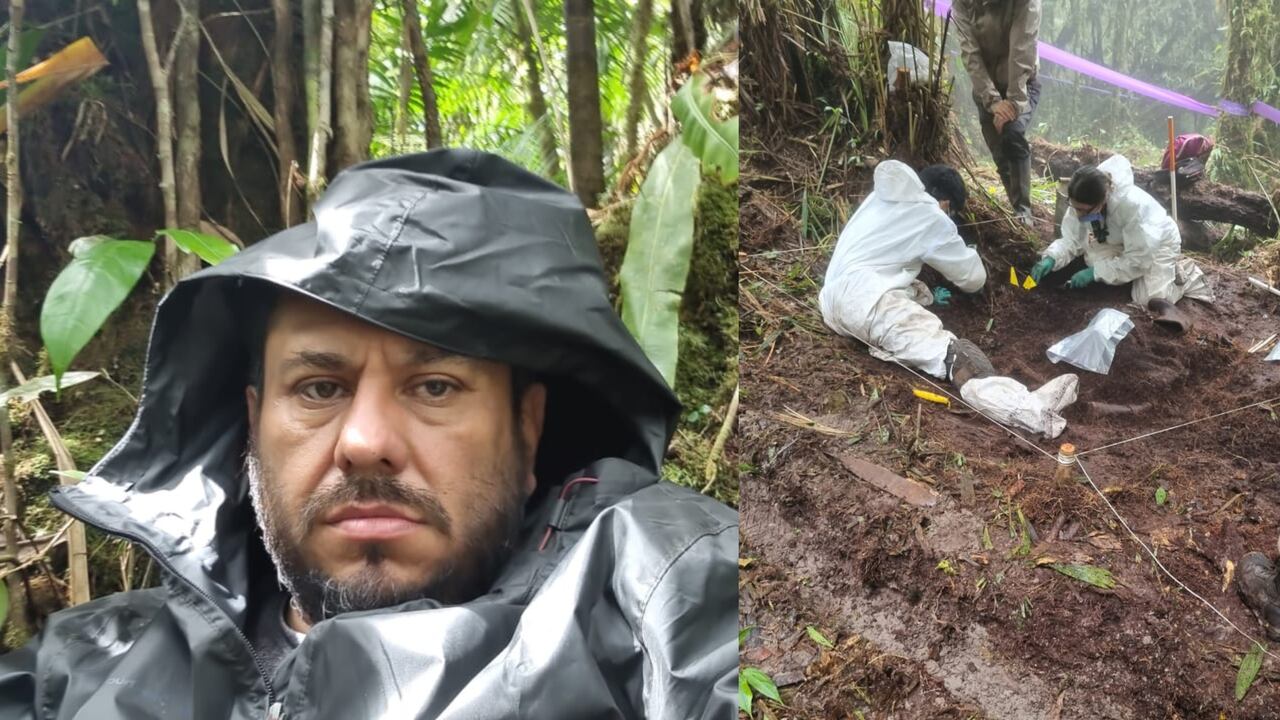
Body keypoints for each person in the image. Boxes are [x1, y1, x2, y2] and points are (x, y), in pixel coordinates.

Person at [0, 150, 738, 719]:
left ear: (528, 426)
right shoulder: (81, 670)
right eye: (319, 388)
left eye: (434, 387)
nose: (364, 441)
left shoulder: (647, 598)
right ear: (252, 426)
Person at [819, 160, 995, 387]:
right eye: (951, 212)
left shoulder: (878, 199)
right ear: (945, 203)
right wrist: (969, 254)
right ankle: (1003, 400)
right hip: (864, 303)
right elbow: (972, 278)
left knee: (902, 296)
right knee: (957, 357)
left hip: (830, 302)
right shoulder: (932, 215)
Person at [1028, 154, 1214, 316]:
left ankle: (1183, 275)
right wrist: (1051, 258)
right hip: (1121, 239)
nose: (1078, 215)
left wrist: (1096, 273)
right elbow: (1072, 239)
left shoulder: (1133, 208)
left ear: (1102, 200)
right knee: (1093, 260)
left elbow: (1138, 259)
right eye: (1075, 207)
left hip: (1157, 242)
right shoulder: (1083, 200)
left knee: (1148, 298)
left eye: (1084, 210)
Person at [952, 0, 1042, 224]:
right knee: (999, 149)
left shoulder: (1026, 3)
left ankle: (1024, 209)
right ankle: (1017, 209)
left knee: (1013, 134)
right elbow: (970, 53)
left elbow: (1022, 49)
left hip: (1021, 84)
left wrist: (1011, 103)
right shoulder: (963, 3)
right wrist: (992, 101)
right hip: (985, 88)